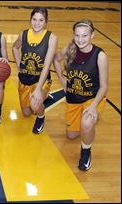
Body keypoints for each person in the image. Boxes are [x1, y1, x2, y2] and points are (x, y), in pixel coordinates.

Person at [53, 19, 108, 171]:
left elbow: (104, 87)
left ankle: (86, 152)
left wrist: (93, 106)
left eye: (84, 36)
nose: (80, 39)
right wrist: (62, 81)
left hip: (93, 97)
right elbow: (56, 60)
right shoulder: (70, 48)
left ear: (92, 35)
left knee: (87, 122)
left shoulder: (100, 55)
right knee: (71, 135)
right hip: (73, 98)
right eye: (77, 35)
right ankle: (84, 128)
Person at [12, 7, 58, 134]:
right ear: (30, 20)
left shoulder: (51, 38)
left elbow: (47, 65)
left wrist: (38, 90)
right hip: (25, 80)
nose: (37, 23)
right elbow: (15, 48)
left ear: (46, 21)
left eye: (41, 20)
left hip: (41, 81)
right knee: (26, 113)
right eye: (34, 19)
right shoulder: (24, 34)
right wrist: (19, 66)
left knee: (35, 106)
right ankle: (44, 97)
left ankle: (41, 117)